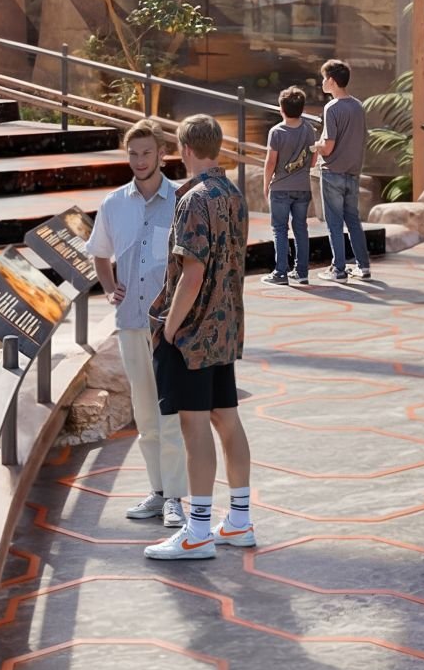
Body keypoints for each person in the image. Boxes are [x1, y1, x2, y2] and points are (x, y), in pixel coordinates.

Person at [145, 113, 257, 563]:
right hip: (226, 328)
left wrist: (169, 328)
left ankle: (197, 532)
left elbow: (192, 273)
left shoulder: (194, 200)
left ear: (185, 149)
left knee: (194, 427)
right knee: (226, 419)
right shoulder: (234, 195)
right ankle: (240, 522)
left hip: (193, 334)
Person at [87, 120, 188, 531]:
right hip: (131, 323)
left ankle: (177, 499)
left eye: (146, 153)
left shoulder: (182, 199)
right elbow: (99, 254)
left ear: (162, 155)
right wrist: (112, 289)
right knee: (145, 415)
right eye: (133, 153)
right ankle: (158, 492)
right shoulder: (113, 204)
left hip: (171, 326)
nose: (139, 161)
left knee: (172, 415)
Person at [312, 58, 372, 283]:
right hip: (352, 171)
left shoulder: (332, 108)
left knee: (334, 223)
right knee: (353, 220)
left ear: (332, 81)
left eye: (324, 78)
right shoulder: (358, 105)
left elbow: (328, 146)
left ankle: (338, 269)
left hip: (332, 171)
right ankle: (363, 266)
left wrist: (316, 146)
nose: (322, 83)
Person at [261, 86, 319, 284]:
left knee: (279, 229)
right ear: (302, 108)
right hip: (303, 187)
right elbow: (312, 159)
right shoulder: (309, 129)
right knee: (301, 228)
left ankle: (280, 272)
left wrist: (266, 184)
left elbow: (270, 162)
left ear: (281, 109)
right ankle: (302, 272)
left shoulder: (276, 132)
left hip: (280, 188)